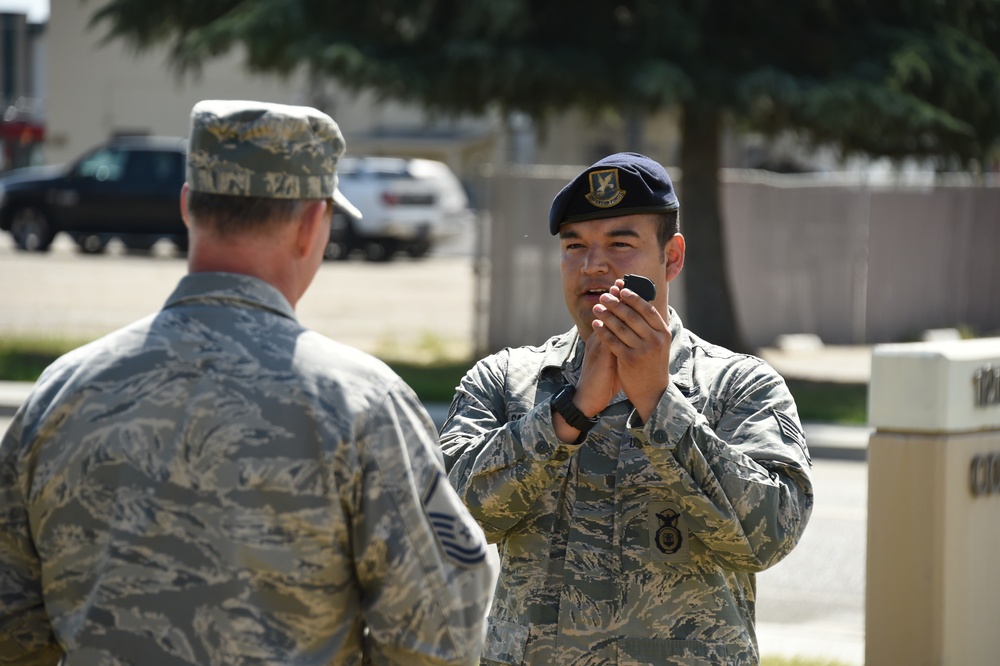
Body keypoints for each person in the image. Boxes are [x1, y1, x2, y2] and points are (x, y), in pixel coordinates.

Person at [0, 100, 494, 665]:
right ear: (311, 225)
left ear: (187, 206)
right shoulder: (362, 405)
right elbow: (440, 627)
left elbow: (11, 624)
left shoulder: (62, 393)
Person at [440, 152, 814, 664]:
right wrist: (568, 414)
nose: (593, 265)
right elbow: (449, 524)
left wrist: (659, 403)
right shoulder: (506, 381)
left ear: (671, 258)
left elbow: (768, 536)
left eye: (620, 244)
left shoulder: (738, 386)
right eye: (574, 245)